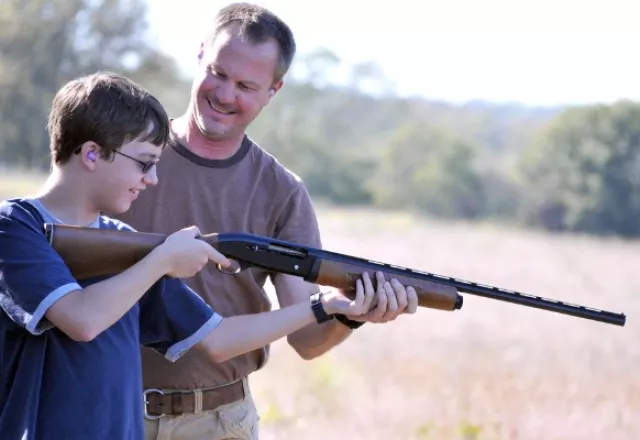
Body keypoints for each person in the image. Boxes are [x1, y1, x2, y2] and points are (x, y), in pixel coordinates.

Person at [0, 71, 401, 440]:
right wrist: (161, 261)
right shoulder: (15, 226)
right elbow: (81, 319)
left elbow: (219, 339)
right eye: (144, 163)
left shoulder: (124, 243)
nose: (152, 179)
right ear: (91, 153)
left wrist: (329, 306)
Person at [114, 3, 420, 439]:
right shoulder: (127, 154)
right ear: (200, 54)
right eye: (218, 73)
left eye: (245, 85)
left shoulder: (282, 192)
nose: (224, 94)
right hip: (107, 407)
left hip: (218, 422)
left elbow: (307, 340)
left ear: (273, 91)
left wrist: (353, 314)